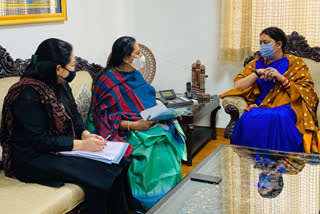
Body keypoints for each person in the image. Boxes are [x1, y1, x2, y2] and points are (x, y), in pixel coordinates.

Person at [0, 38, 134, 214]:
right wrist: (81, 145)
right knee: (101, 178)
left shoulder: (60, 84)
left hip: (59, 148)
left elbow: (75, 115)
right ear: (58, 68)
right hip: (31, 158)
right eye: (72, 65)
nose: (74, 69)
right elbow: (40, 141)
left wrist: (85, 134)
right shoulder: (27, 93)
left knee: (119, 163)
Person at [87, 36, 186, 209]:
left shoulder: (134, 73)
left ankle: (170, 197)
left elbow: (145, 99)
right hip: (123, 129)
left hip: (146, 121)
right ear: (126, 58)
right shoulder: (107, 82)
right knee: (152, 149)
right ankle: (150, 202)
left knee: (170, 133)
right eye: (138, 52)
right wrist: (134, 125)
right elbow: (103, 119)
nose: (142, 56)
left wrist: (164, 110)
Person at [220, 27, 320, 153]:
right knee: (249, 116)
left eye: (266, 43)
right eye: (260, 43)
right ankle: (255, 160)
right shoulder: (256, 64)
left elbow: (306, 93)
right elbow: (238, 86)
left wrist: (281, 78)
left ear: (279, 44)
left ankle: (280, 161)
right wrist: (256, 73)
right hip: (261, 105)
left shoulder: (295, 63)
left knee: (279, 116)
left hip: (287, 107)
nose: (262, 46)